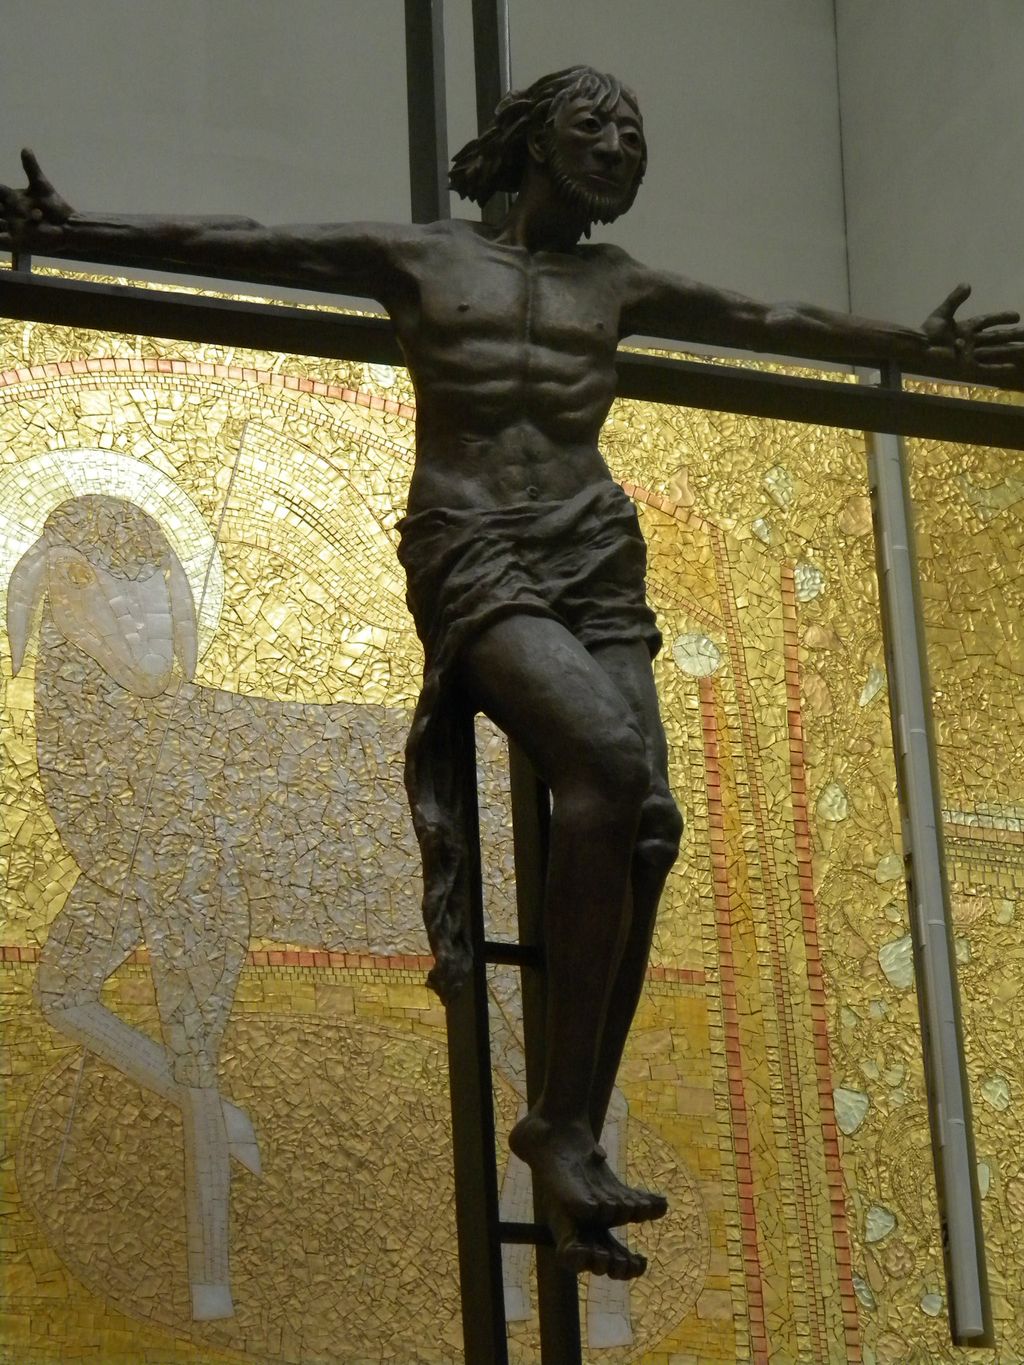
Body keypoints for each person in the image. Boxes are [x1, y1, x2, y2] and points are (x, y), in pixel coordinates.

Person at [3, 66, 1022, 1281]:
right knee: (603, 765)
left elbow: (769, 320)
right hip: (475, 548)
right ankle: (560, 1125)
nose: (621, 146)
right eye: (596, 125)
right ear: (534, 141)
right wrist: (78, 230)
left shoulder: (615, 283)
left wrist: (916, 343)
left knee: (648, 824)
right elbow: (247, 239)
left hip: (593, 552)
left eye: (635, 132)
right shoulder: (427, 260)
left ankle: (565, 1120)